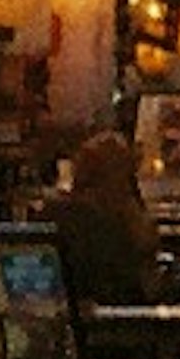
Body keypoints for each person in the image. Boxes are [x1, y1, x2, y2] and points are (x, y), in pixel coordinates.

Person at [49, 124, 160, 318]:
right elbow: (140, 268)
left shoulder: (57, 213)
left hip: (68, 316)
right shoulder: (111, 219)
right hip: (121, 320)